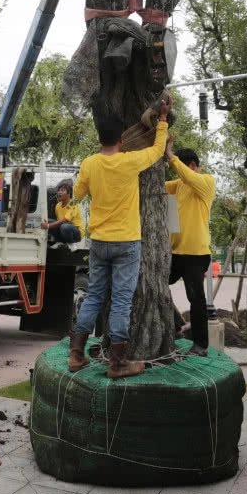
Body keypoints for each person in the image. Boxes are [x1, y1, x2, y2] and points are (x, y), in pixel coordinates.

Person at [69, 99, 171, 379]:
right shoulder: (130, 161)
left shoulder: (90, 164)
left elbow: (78, 192)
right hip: (127, 242)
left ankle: (76, 355)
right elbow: (158, 150)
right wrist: (162, 120)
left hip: (99, 241)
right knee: (121, 301)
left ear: (100, 138)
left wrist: (85, 175)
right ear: (122, 138)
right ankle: (117, 363)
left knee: (94, 296)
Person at [165, 140, 216, 357]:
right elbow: (155, 184)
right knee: (156, 284)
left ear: (193, 166)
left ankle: (201, 345)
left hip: (196, 253)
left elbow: (187, 176)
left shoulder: (205, 182)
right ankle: (178, 325)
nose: (179, 174)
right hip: (175, 252)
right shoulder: (178, 185)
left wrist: (170, 155)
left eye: (183, 168)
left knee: (196, 299)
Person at [41, 180, 84, 245]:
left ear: (68, 194)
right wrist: (47, 223)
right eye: (59, 190)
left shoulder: (73, 204)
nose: (59, 192)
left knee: (64, 227)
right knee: (49, 222)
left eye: (62, 190)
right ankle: (60, 242)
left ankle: (71, 244)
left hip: (76, 233)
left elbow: (65, 220)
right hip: (64, 228)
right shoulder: (58, 206)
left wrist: (48, 225)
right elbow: (58, 221)